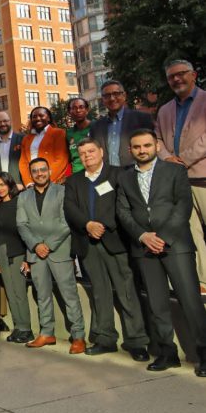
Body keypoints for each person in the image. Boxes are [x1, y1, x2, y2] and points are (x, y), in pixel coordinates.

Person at [116, 129, 206, 376]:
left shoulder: (175, 171)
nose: (142, 150)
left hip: (175, 245)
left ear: (156, 146)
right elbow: (123, 211)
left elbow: (183, 205)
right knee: (157, 303)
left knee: (190, 301)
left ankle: (204, 353)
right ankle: (168, 353)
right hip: (144, 248)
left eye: (146, 145)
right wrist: (143, 236)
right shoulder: (124, 178)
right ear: (130, 150)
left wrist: (163, 237)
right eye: (137, 147)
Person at [64, 138, 149, 360]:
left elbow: (124, 204)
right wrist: (87, 225)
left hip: (115, 240)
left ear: (101, 152)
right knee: (100, 294)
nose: (87, 156)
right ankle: (105, 338)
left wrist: (102, 224)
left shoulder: (118, 174)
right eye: (82, 153)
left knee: (126, 291)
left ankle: (137, 341)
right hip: (88, 243)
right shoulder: (73, 181)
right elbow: (70, 208)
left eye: (91, 151)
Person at [16, 158, 86, 353]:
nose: (39, 173)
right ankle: (47, 332)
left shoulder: (62, 192)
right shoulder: (24, 196)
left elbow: (66, 222)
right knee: (42, 295)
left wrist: (48, 245)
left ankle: (78, 336)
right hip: (35, 253)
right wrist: (36, 245)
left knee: (69, 295)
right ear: (30, 174)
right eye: (35, 171)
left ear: (49, 170)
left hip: (59, 250)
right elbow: (21, 224)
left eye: (43, 170)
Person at [156, 59, 206, 290]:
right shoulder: (165, 109)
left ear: (194, 75)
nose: (176, 79)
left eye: (181, 74)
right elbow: (157, 140)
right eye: (171, 77)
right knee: (191, 233)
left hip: (203, 178)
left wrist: (182, 160)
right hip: (178, 183)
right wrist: (166, 158)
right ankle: (203, 280)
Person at [0, 174, 33, 343]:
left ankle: (26, 329)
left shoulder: (19, 202)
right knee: (10, 292)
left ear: (9, 184)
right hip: (2, 252)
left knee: (19, 292)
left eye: (2, 184)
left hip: (17, 252)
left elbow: (25, 230)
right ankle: (18, 327)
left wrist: (27, 257)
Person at [90, 80, 154, 168]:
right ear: (103, 100)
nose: (112, 98)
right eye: (107, 95)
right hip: (107, 177)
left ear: (124, 95)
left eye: (116, 93)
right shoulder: (96, 126)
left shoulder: (142, 119)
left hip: (135, 173)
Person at [19, 107, 70, 186]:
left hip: (53, 182)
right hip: (33, 184)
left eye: (41, 115)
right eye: (34, 117)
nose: (38, 118)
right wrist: (28, 182)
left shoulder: (58, 133)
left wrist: (44, 181)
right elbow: (23, 162)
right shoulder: (26, 139)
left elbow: (61, 159)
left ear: (48, 118)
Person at [66, 97, 92, 174]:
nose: (78, 110)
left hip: (96, 172)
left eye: (81, 107)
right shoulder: (68, 133)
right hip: (77, 175)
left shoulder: (97, 127)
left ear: (87, 110)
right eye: (74, 108)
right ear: (69, 112)